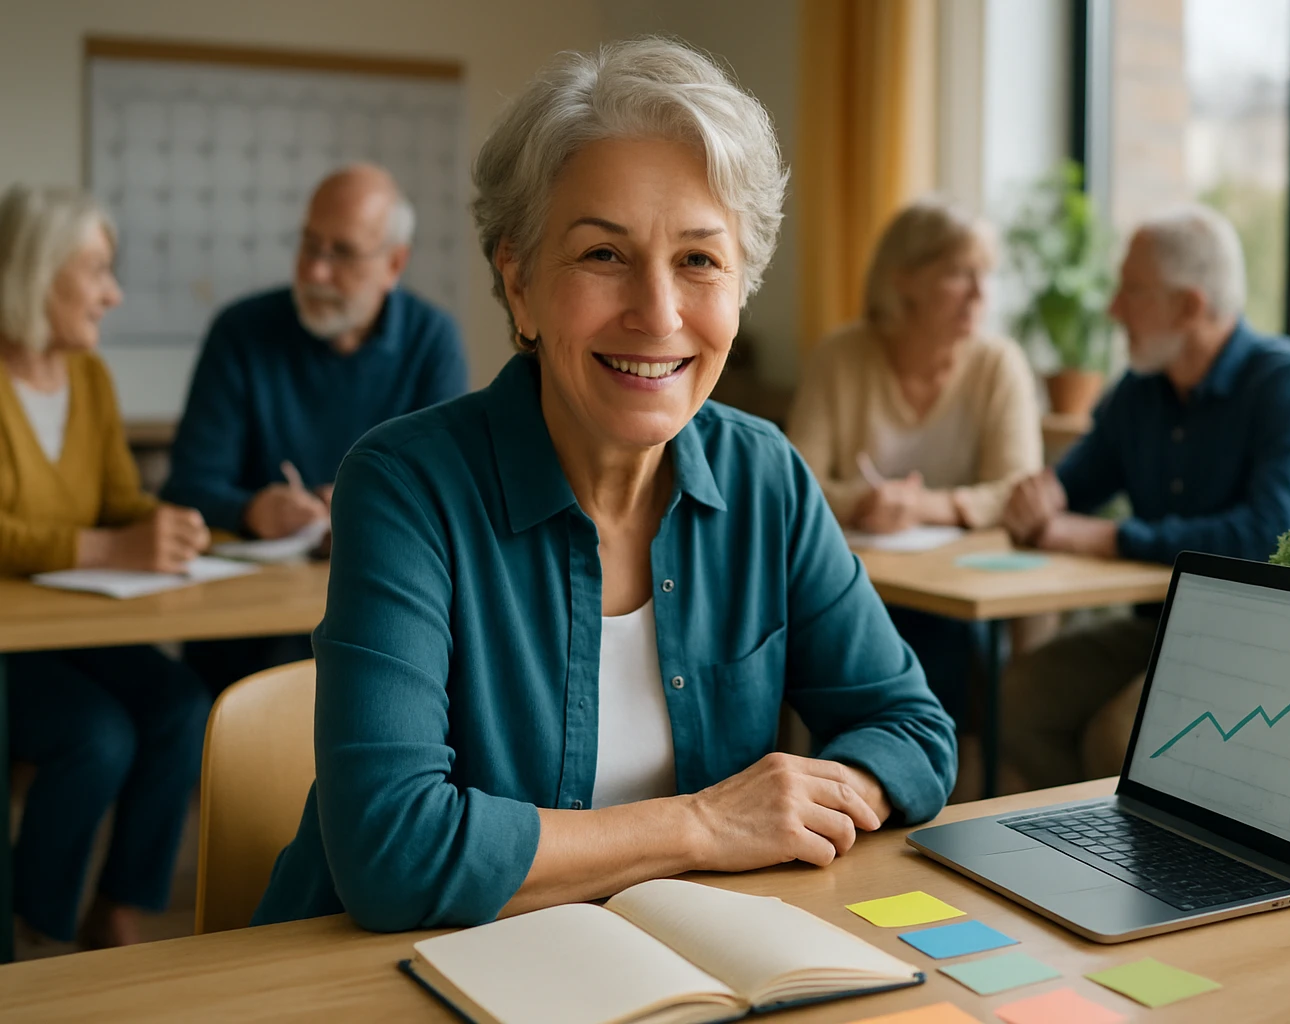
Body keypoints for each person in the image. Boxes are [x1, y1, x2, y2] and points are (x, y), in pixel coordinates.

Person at [252, 39, 957, 932]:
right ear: (519, 282)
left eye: (700, 260)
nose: (657, 314)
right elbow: (394, 851)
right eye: (602, 255)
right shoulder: (405, 486)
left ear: (743, 287)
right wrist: (705, 825)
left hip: (677, 964)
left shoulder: (765, 474)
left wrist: (812, 799)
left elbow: (915, 732)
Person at [998, 203, 1290, 789]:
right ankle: (1086, 849)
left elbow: (1267, 537)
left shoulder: (1288, 382)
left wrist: (1111, 536)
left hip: (1258, 641)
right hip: (1161, 626)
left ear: (1189, 306)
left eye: (1132, 291)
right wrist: (1040, 496)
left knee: (1117, 735)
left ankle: (1137, 869)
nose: (1113, 308)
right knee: (1017, 697)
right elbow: (1073, 485)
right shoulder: (1140, 389)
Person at [161, 163, 469, 691]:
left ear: (394, 264)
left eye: (342, 254)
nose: (315, 271)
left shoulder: (432, 341)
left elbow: (450, 500)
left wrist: (359, 512)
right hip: (244, 624)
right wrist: (253, 510)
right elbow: (186, 488)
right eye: (308, 245)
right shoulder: (241, 333)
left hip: (379, 610)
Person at [0, 185, 211, 949]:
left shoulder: (89, 378)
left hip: (77, 627)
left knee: (183, 703)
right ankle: (36, 929)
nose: (112, 293)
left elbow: (119, 499)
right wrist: (105, 547)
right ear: (34, 271)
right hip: (9, 645)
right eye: (96, 270)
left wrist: (171, 527)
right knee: (97, 736)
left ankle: (117, 906)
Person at [787, 199, 1042, 720]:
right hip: (858, 581)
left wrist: (922, 507)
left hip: (962, 588)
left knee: (948, 654)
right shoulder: (841, 356)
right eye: (958, 274)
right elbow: (795, 482)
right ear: (903, 281)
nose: (980, 294)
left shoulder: (999, 364)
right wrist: (866, 504)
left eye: (986, 275)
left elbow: (1017, 489)